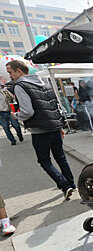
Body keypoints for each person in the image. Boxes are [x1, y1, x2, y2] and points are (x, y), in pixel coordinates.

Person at [7, 60, 76, 200]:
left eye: (10, 72)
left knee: (44, 161)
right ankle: (71, 184)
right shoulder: (45, 82)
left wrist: (16, 115)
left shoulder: (20, 85)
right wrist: (60, 126)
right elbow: (54, 106)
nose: (10, 76)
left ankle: (64, 185)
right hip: (54, 127)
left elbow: (28, 112)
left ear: (19, 71)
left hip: (39, 130)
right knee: (61, 157)